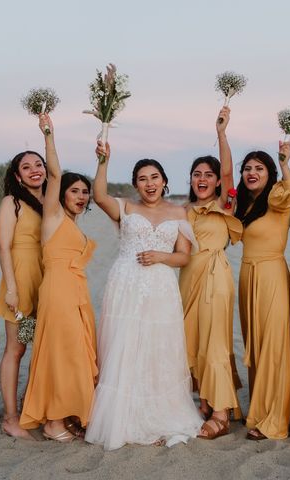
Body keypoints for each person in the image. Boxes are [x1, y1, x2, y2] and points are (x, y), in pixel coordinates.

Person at [85, 142, 203, 450]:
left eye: (154, 177)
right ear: (135, 184)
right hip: (126, 283)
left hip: (161, 286)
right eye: (142, 179)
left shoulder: (178, 212)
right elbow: (98, 196)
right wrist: (103, 161)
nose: (149, 184)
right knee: (124, 343)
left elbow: (183, 257)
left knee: (157, 346)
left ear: (164, 181)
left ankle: (159, 412)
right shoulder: (126, 207)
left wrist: (161, 257)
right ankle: (121, 416)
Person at [19, 113, 97, 442]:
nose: (81, 196)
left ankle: (68, 414)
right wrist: (49, 134)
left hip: (75, 290)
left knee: (74, 352)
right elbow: (54, 172)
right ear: (61, 193)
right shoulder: (52, 216)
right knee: (61, 352)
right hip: (58, 290)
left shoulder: (75, 224)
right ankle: (52, 421)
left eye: (85, 192)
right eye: (75, 190)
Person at [178, 106, 244, 440]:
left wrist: (221, 133)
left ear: (217, 181)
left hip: (215, 279)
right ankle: (205, 398)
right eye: (196, 174)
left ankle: (220, 413)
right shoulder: (183, 210)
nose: (202, 179)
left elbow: (231, 173)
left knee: (214, 340)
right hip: (187, 280)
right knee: (191, 338)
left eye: (208, 174)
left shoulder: (223, 205)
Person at [234, 142, 290, 440]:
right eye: (247, 168)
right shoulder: (245, 204)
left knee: (274, 345)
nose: (252, 172)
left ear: (269, 173)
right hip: (248, 275)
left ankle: (275, 419)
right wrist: (222, 133)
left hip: (272, 273)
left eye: (259, 168)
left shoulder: (277, 197)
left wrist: (285, 163)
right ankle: (259, 411)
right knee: (257, 344)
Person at [0, 150, 46, 439]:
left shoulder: (51, 201)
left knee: (41, 347)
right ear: (17, 176)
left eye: (38, 164)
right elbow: (3, 247)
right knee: (17, 347)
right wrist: (12, 288)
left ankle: (30, 405)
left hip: (47, 279)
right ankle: (10, 417)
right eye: (26, 167)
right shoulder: (11, 203)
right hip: (22, 279)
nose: (34, 170)